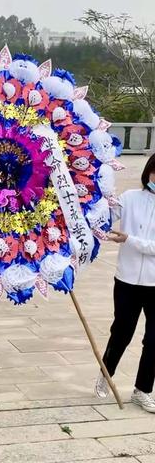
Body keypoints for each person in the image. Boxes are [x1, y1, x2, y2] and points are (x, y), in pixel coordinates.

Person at [95, 154, 155, 413]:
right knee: (121, 331)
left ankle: (142, 390)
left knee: (153, 339)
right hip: (127, 280)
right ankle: (105, 376)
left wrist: (129, 240)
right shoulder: (130, 198)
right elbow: (105, 216)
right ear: (148, 173)